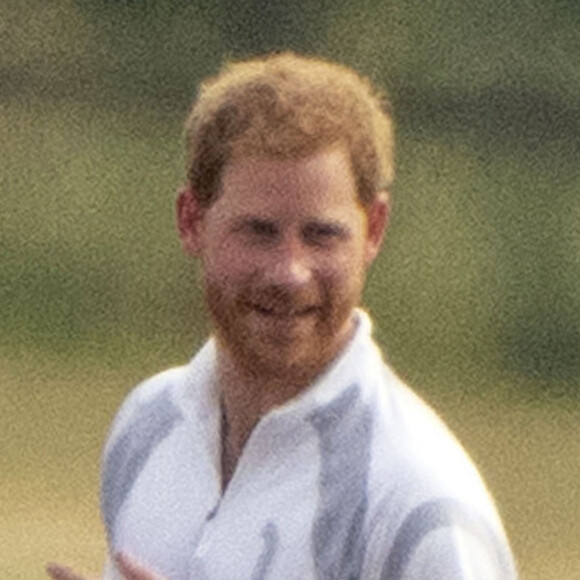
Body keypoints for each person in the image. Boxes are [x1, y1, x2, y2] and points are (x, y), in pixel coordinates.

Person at [47, 52, 518, 580]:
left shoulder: (419, 505)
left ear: (375, 230)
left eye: (321, 235)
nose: (290, 272)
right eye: (258, 231)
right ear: (191, 222)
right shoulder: (148, 425)